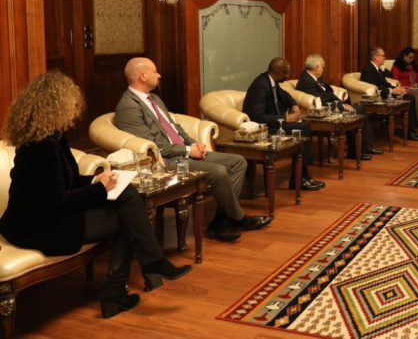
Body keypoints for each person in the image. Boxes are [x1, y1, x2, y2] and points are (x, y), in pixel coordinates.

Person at [0, 71, 191, 319]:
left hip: (48, 218)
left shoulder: (52, 138)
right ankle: (125, 285)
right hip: (39, 227)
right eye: (70, 104)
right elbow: (57, 201)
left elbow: (64, 182)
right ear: (56, 106)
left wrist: (95, 180)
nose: (73, 110)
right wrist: (100, 189)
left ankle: (141, 274)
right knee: (130, 216)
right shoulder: (41, 147)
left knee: (128, 202)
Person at [115, 58, 270, 243]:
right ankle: (238, 218)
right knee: (219, 171)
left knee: (238, 162)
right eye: (155, 71)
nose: (159, 75)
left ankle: (221, 221)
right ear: (142, 76)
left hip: (182, 152)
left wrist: (194, 144)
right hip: (166, 161)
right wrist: (188, 151)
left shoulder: (154, 98)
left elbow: (174, 128)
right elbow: (154, 147)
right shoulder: (128, 106)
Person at [242, 58, 324, 191]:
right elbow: (257, 116)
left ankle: (302, 175)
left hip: (273, 124)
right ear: (279, 73)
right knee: (303, 128)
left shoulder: (271, 81)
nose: (288, 76)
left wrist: (294, 104)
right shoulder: (261, 86)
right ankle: (300, 178)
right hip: (264, 128)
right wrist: (285, 118)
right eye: (286, 74)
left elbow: (285, 95)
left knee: (304, 125)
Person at [295, 54, 382, 160]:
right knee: (358, 110)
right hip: (322, 112)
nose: (323, 69)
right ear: (316, 68)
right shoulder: (306, 81)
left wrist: (343, 104)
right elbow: (322, 100)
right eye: (322, 67)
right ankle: (356, 152)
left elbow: (330, 94)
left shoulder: (316, 78)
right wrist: (342, 106)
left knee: (359, 108)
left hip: (331, 106)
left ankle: (364, 147)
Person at [360, 47, 418, 141]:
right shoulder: (368, 70)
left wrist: (397, 88)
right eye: (383, 56)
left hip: (386, 93)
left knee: (410, 97)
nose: (385, 58)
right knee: (409, 98)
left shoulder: (377, 69)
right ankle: (409, 133)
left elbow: (385, 84)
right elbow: (375, 88)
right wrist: (392, 91)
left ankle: (410, 130)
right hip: (380, 97)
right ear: (376, 57)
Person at [391, 46, 418, 129]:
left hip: (414, 87)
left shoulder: (413, 65)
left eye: (412, 58)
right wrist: (406, 86)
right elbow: (395, 80)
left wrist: (417, 84)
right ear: (404, 56)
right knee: (417, 95)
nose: (411, 59)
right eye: (410, 58)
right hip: (404, 88)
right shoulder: (397, 66)